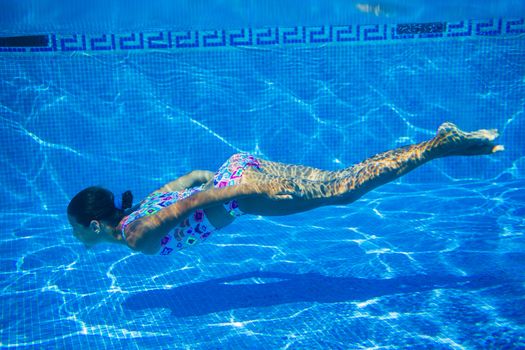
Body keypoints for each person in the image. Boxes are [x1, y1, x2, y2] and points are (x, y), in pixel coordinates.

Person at [67, 122, 504, 255]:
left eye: (75, 230)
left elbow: (198, 198)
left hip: (241, 189)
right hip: (237, 168)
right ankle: (434, 144)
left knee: (344, 191)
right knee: (341, 180)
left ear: (92, 223)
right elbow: (191, 180)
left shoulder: (135, 235)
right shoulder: (140, 206)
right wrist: (231, 177)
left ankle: (437, 148)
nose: (76, 236)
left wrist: (247, 188)